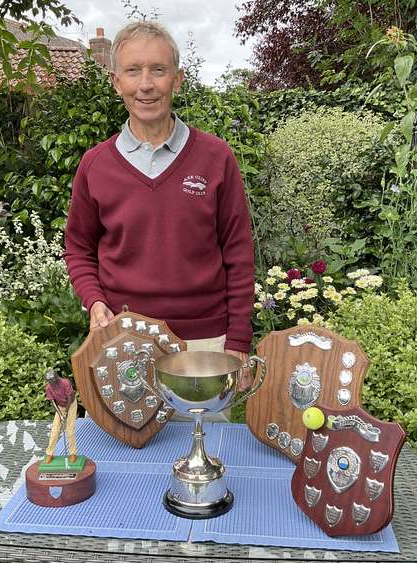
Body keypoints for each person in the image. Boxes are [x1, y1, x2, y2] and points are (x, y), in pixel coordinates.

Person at [64, 21, 254, 387]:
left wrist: (239, 340)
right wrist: (94, 300)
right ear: (116, 81)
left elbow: (239, 253)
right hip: (122, 342)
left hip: (205, 344)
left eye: (158, 70)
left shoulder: (216, 158)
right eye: (133, 71)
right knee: (127, 446)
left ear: (178, 80)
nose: (146, 84)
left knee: (207, 444)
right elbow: (78, 247)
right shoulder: (95, 165)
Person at [44, 369, 78, 464]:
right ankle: (49, 454)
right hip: (60, 407)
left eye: (53, 380)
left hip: (70, 405)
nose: (51, 382)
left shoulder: (65, 383)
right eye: (49, 381)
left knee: (70, 432)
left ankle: (72, 453)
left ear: (56, 377)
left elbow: (70, 398)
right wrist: (60, 414)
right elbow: (53, 402)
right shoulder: (49, 388)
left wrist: (66, 414)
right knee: (54, 432)